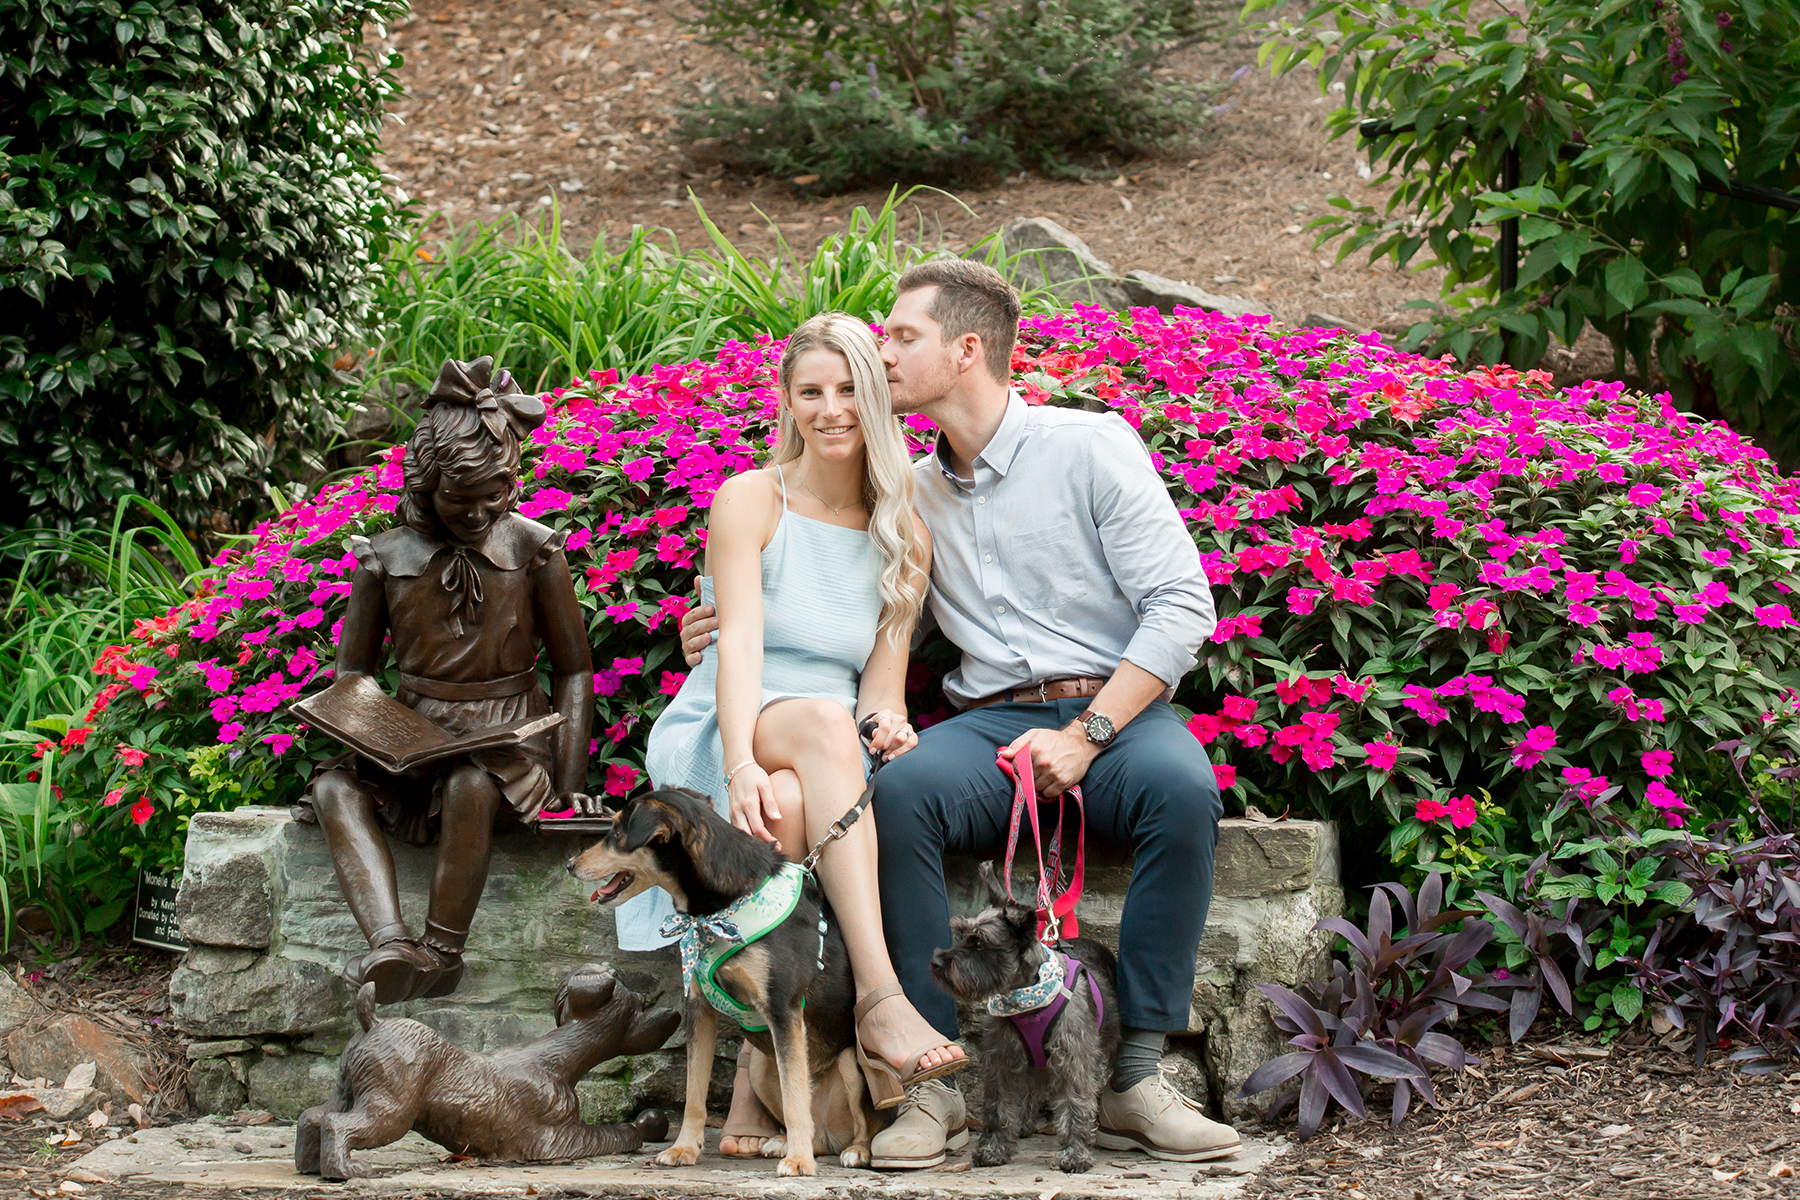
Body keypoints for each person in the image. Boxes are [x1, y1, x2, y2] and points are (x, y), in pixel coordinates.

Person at [680, 262, 1238, 1167]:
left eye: (901, 338)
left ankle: (1134, 1077)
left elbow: (1182, 607)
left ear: (966, 349)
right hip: (987, 721)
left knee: (1182, 793)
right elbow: (819, 599)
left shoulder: (1091, 446)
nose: (881, 356)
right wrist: (704, 624)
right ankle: (931, 1091)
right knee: (896, 796)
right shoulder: (909, 494)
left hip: (1114, 711)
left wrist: (1086, 733)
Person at [617, 312, 967, 1157]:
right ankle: (882, 996)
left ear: (878, 400)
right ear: (787, 401)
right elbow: (736, 643)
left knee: (799, 785)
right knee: (803, 738)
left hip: (822, 749)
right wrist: (738, 760)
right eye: (810, 391)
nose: (831, 408)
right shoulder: (752, 499)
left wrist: (890, 728)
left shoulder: (904, 535)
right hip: (724, 719)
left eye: (849, 389)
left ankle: (749, 1098)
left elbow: (877, 691)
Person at [301, 356, 595, 1005]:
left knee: (470, 781)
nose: (479, 510)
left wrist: (570, 788)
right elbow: (353, 673)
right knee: (332, 789)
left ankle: (441, 952)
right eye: (459, 498)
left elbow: (574, 670)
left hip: (507, 740)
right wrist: (371, 732)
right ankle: (389, 942)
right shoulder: (384, 559)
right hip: (413, 735)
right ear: (424, 483)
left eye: (496, 492)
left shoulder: (534, 549)